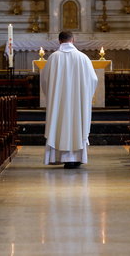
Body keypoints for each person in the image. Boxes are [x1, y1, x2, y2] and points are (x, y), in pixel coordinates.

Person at [41, 31, 98, 169]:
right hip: (78, 104)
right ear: (73, 40)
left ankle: (57, 157)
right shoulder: (83, 58)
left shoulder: (53, 58)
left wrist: (53, 95)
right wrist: (85, 95)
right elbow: (93, 79)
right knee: (77, 125)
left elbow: (44, 81)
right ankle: (77, 158)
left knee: (58, 124)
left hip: (59, 103)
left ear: (59, 41)